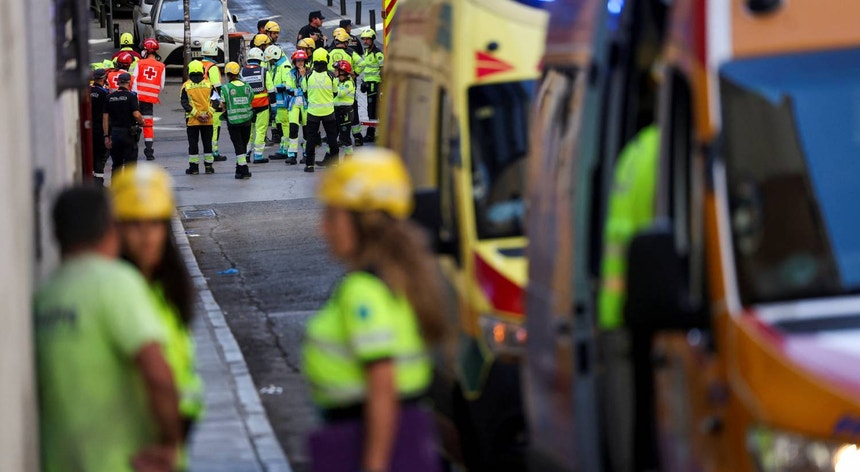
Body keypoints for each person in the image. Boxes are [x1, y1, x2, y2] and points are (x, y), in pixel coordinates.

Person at [303, 149, 446, 472]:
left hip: (365, 443)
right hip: (396, 439)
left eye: (331, 217)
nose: (323, 229)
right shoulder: (394, 280)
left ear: (361, 223)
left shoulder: (362, 292)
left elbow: (382, 386)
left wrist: (374, 465)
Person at [34, 186, 181, 472]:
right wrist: (170, 442)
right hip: (124, 461)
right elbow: (157, 374)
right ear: (110, 229)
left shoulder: (46, 295)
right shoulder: (116, 283)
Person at [110, 163, 204, 464]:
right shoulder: (117, 293)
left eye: (154, 224)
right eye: (134, 225)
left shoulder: (168, 291)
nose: (146, 236)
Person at [180, 60, 219, 175]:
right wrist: (208, 114)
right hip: (208, 121)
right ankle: (209, 167)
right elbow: (216, 101)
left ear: (189, 71)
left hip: (192, 121)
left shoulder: (186, 86)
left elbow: (184, 103)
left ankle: (194, 168)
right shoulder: (209, 85)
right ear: (202, 71)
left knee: (193, 144)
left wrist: (197, 115)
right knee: (207, 143)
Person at [305, 47, 340, 172]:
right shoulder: (331, 76)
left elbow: (304, 91)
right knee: (332, 137)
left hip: (313, 112)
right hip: (328, 112)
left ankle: (309, 165)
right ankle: (334, 163)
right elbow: (335, 92)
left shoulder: (308, 75)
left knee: (311, 138)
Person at [131, 39, 166, 161]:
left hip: (137, 99)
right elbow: (161, 86)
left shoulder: (140, 63)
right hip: (149, 100)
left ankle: (132, 148)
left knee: (133, 123)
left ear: (147, 50)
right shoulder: (161, 66)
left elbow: (133, 80)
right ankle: (149, 151)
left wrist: (135, 95)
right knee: (148, 125)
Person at [329, 32, 365, 146]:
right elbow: (362, 63)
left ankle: (339, 138)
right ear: (345, 42)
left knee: (336, 117)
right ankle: (357, 136)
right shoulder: (350, 52)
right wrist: (355, 73)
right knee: (353, 113)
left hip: (333, 85)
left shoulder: (329, 52)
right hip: (348, 85)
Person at [219, 61, 254, 179]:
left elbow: (222, 104)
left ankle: (244, 170)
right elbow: (251, 98)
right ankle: (239, 169)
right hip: (247, 120)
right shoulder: (247, 87)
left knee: (238, 146)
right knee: (243, 145)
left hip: (233, 122)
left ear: (228, 74)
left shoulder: (225, 88)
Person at [104, 72, 145, 172]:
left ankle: (116, 182)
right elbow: (136, 114)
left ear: (118, 82)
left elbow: (105, 119)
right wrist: (141, 122)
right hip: (128, 133)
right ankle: (128, 182)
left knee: (116, 164)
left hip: (115, 133)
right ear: (129, 82)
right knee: (130, 165)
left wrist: (106, 136)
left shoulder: (109, 97)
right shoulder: (131, 96)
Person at [240, 47, 271, 164]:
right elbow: (271, 90)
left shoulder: (242, 72)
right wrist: (273, 107)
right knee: (260, 130)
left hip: (247, 107)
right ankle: (258, 155)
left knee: (248, 131)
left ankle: (246, 154)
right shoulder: (264, 71)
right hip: (262, 106)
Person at [200, 40, 226, 162]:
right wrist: (222, 102)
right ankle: (213, 152)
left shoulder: (199, 65)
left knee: (204, 129)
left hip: (201, 101)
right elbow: (217, 87)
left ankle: (207, 151)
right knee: (215, 127)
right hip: (213, 102)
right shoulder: (213, 67)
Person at [357, 29, 384, 143]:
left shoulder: (377, 53)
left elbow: (383, 69)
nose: (365, 41)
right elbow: (365, 67)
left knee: (373, 109)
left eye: (367, 39)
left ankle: (371, 133)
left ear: (372, 39)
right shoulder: (367, 52)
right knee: (371, 108)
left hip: (375, 84)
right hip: (369, 84)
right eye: (364, 39)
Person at [265, 44, 291, 161]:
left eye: (270, 60)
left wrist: (273, 89)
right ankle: (283, 148)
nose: (270, 62)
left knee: (285, 125)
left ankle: (286, 149)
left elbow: (287, 85)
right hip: (280, 102)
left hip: (284, 102)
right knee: (281, 125)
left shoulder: (285, 66)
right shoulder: (278, 65)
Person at [285, 50, 309, 166]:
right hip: (293, 104)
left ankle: (306, 154)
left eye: (302, 61)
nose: (300, 63)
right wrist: (300, 91)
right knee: (293, 129)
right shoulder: (290, 73)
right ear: (294, 62)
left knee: (307, 130)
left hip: (306, 105)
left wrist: (304, 76)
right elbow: (289, 89)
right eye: (298, 61)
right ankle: (292, 155)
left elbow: (308, 88)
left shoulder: (309, 73)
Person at [90, 69, 110, 186]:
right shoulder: (104, 94)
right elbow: (107, 115)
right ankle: (98, 183)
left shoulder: (88, 91)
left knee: (91, 154)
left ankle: (91, 180)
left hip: (88, 127)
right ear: (104, 78)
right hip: (99, 128)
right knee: (100, 156)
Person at [333, 60, 356, 159]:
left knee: (345, 137)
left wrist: (332, 87)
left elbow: (340, 93)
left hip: (345, 113)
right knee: (333, 135)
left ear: (342, 72)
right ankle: (329, 157)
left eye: (336, 70)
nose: (334, 72)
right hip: (337, 112)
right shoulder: (338, 81)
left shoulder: (348, 83)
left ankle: (349, 157)